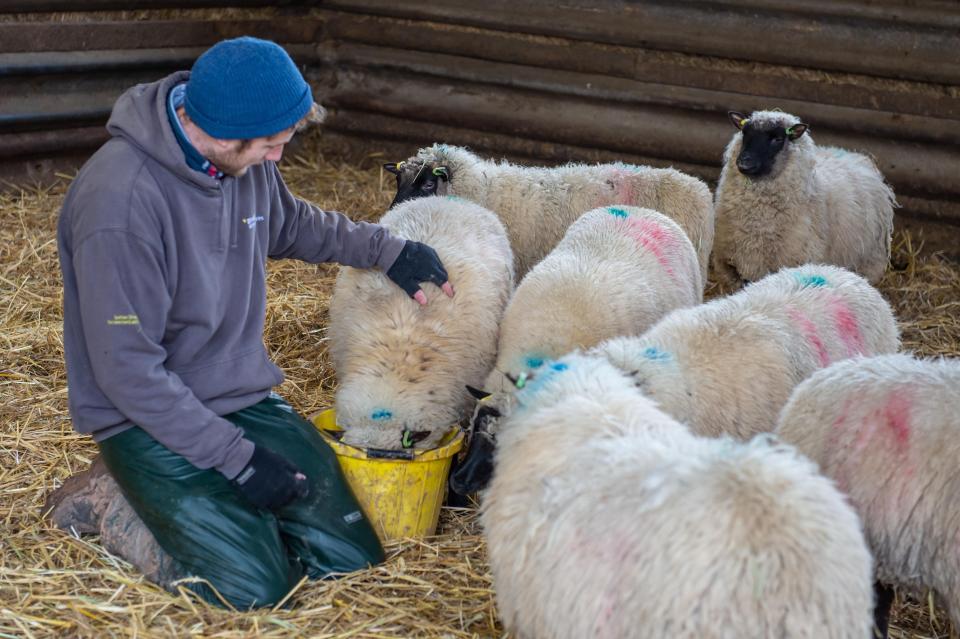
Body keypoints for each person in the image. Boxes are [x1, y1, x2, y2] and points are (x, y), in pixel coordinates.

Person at [56, 36, 454, 609]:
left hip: (235, 396)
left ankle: (205, 509)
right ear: (221, 132)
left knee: (350, 561)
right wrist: (238, 461)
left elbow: (290, 223)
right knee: (255, 593)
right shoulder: (120, 203)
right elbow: (126, 372)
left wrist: (387, 250)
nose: (277, 159)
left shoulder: (243, 162)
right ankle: (111, 506)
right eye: (270, 146)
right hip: (143, 417)